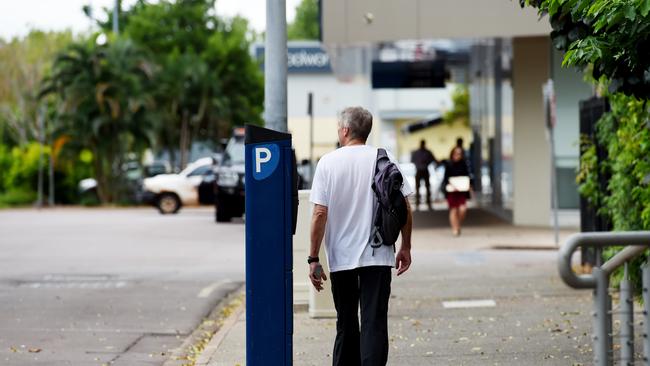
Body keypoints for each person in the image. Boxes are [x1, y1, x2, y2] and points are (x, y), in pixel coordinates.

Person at [308, 106, 414, 366]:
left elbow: (320, 213)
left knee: (346, 323)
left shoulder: (328, 162)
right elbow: (404, 206)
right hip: (378, 256)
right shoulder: (384, 158)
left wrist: (313, 258)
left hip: (341, 258)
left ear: (345, 130)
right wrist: (406, 247)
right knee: (374, 323)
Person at [442, 146, 472, 236]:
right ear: (452, 154)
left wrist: (470, 186)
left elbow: (468, 177)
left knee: (463, 209)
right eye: (456, 153)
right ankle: (454, 228)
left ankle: (458, 224)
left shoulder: (464, 164)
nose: (457, 155)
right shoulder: (449, 164)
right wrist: (451, 184)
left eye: (459, 153)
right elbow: (445, 178)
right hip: (452, 191)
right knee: (453, 210)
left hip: (461, 191)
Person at [410, 139, 437, 209]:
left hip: (424, 170)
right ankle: (418, 203)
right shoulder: (417, 152)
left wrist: (425, 163)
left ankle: (428, 202)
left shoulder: (427, 152)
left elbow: (432, 159)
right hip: (419, 170)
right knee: (418, 187)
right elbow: (413, 160)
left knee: (427, 187)